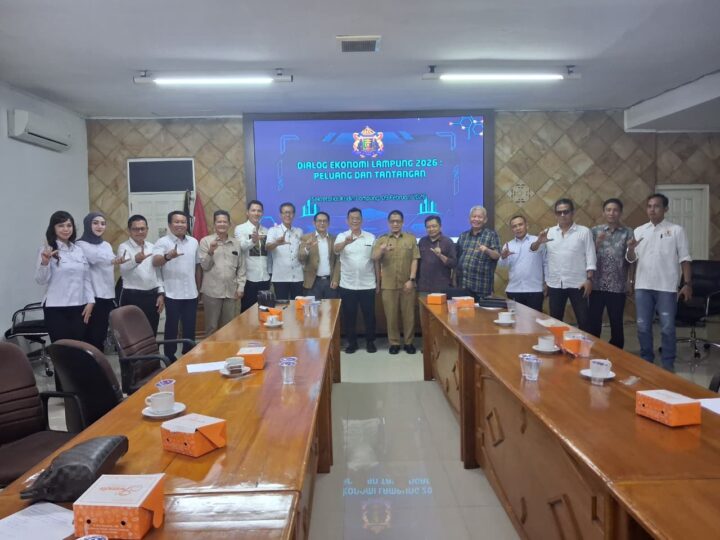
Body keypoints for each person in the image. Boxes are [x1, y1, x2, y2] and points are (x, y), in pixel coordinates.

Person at [627, 193, 692, 371]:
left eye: (656, 206)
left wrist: (687, 284)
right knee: (642, 327)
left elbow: (685, 258)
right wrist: (631, 249)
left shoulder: (676, 230)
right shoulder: (639, 230)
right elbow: (631, 259)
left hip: (666, 287)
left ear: (665, 209)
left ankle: (668, 363)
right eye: (649, 206)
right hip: (643, 287)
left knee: (667, 328)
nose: (652, 210)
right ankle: (646, 359)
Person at [532, 198, 595, 330]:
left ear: (572, 213)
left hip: (578, 283)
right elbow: (533, 250)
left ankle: (584, 344)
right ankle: (557, 343)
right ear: (555, 214)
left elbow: (591, 256)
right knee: (555, 321)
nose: (562, 215)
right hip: (555, 283)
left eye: (566, 212)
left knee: (584, 321)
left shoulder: (584, 232)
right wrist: (538, 242)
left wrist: (589, 279)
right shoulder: (549, 232)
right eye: (559, 212)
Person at [35, 211, 94, 343]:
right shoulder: (47, 250)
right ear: (53, 228)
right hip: (56, 307)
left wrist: (91, 301)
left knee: (79, 346)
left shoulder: (78, 250)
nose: (66, 229)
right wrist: (45, 263)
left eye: (69, 225)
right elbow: (41, 280)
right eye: (61, 226)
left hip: (79, 306)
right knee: (62, 348)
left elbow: (86, 278)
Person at [152, 211, 200, 361]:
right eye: (177, 222)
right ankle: (169, 357)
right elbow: (155, 262)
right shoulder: (162, 242)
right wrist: (168, 256)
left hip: (191, 292)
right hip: (172, 292)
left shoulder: (194, 242)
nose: (180, 225)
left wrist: (198, 288)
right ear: (169, 224)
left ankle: (189, 354)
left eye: (183, 222)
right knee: (171, 327)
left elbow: (197, 266)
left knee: (190, 326)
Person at [77, 212, 127, 351]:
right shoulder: (80, 244)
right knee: (91, 336)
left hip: (107, 295)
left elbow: (111, 260)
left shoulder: (106, 245)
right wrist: (114, 260)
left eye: (103, 224)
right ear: (87, 225)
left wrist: (117, 260)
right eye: (95, 223)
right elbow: (95, 258)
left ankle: (98, 362)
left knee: (100, 335)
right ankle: (90, 363)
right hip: (91, 297)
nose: (100, 226)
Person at [588, 199, 634, 348]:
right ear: (603, 212)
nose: (611, 213)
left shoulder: (628, 232)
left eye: (615, 210)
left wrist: (630, 281)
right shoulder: (594, 231)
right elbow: (588, 257)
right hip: (596, 285)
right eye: (608, 210)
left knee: (616, 322)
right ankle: (593, 350)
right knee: (594, 322)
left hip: (618, 285)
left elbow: (631, 260)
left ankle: (617, 352)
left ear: (620, 213)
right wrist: (597, 243)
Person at [373, 210, 420, 354]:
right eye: (392, 221)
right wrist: (382, 250)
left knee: (409, 315)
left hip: (407, 284)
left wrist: (411, 279)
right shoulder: (382, 240)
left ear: (402, 222)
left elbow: (415, 259)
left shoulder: (410, 239)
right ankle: (394, 343)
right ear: (388, 223)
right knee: (391, 316)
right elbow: (374, 258)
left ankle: (409, 342)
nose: (395, 224)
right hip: (388, 285)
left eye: (398, 221)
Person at [334, 207, 378, 354]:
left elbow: (375, 261)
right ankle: (352, 343)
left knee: (369, 316)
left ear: (362, 220)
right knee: (349, 316)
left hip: (368, 284)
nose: (355, 220)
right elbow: (336, 249)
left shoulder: (371, 237)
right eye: (352, 218)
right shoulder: (342, 236)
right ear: (347, 220)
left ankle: (370, 342)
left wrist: (378, 282)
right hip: (348, 284)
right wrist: (345, 243)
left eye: (357, 218)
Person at [199, 210, 246, 336]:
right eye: (219, 222)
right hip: (212, 292)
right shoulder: (205, 241)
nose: (222, 224)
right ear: (214, 224)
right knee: (211, 327)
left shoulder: (236, 243)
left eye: (225, 222)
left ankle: (227, 348)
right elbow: (204, 266)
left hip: (231, 292)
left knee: (229, 327)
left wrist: (241, 287)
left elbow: (241, 267)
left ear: (229, 224)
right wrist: (210, 251)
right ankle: (211, 349)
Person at [118, 215, 164, 335]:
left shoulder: (152, 247)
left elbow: (158, 272)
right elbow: (123, 269)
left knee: (151, 331)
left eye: (142, 229)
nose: (140, 232)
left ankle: (151, 349)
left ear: (147, 229)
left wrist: (161, 293)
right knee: (132, 334)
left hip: (152, 296)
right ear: (129, 230)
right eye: (136, 229)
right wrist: (136, 260)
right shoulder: (124, 247)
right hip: (132, 296)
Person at [498, 214, 544, 312]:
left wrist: (547, 283)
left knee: (534, 320)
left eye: (520, 224)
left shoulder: (537, 241)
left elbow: (546, 263)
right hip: (514, 290)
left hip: (534, 290)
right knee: (515, 320)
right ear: (512, 229)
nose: (518, 228)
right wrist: (503, 256)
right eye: (514, 226)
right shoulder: (508, 245)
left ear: (526, 225)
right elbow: (502, 265)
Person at [456, 206, 500, 300]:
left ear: (485, 220)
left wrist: (486, 250)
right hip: (463, 287)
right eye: (474, 216)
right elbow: (458, 259)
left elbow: (497, 256)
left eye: (479, 217)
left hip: (481, 288)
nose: (476, 219)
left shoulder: (491, 235)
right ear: (469, 219)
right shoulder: (463, 236)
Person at [234, 200, 270, 312]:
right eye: (253, 210)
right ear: (247, 212)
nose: (256, 213)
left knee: (264, 311)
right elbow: (241, 247)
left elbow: (268, 254)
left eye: (259, 211)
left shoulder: (266, 230)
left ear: (262, 213)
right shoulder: (240, 229)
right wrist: (253, 241)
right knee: (248, 313)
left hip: (264, 278)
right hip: (249, 279)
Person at [266, 202, 304, 300]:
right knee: (282, 305)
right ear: (280, 215)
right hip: (280, 277)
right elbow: (267, 247)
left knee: (298, 305)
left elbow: (301, 252)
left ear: (294, 215)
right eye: (285, 212)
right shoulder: (273, 230)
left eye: (290, 212)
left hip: (298, 276)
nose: (288, 215)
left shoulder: (299, 231)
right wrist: (277, 243)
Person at [298, 211, 338, 299]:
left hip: (330, 282)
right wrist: (307, 248)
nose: (322, 223)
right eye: (319, 221)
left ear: (328, 223)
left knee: (330, 307)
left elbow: (337, 261)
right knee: (312, 308)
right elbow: (301, 258)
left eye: (325, 221)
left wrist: (335, 279)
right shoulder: (306, 238)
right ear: (314, 223)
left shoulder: (334, 239)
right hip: (312, 282)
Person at [417, 215, 456, 293]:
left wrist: (440, 256)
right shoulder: (422, 241)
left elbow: (453, 264)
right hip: (423, 287)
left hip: (441, 288)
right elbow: (418, 263)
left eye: (434, 226)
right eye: (428, 227)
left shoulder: (448, 242)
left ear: (440, 227)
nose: (431, 229)